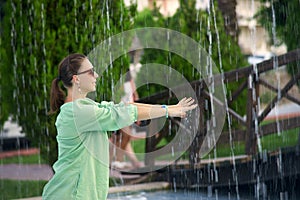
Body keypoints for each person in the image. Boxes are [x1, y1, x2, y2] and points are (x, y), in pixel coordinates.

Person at [42, 53, 197, 200]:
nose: (96, 76)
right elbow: (124, 113)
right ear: (76, 79)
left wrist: (168, 109)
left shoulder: (87, 107)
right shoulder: (76, 112)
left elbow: (125, 107)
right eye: (90, 72)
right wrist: (167, 110)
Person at [110, 71, 142, 169]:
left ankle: (115, 160)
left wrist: (138, 114)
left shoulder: (130, 81)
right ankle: (118, 160)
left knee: (123, 138)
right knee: (126, 136)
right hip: (121, 112)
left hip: (129, 112)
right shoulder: (119, 81)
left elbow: (135, 96)